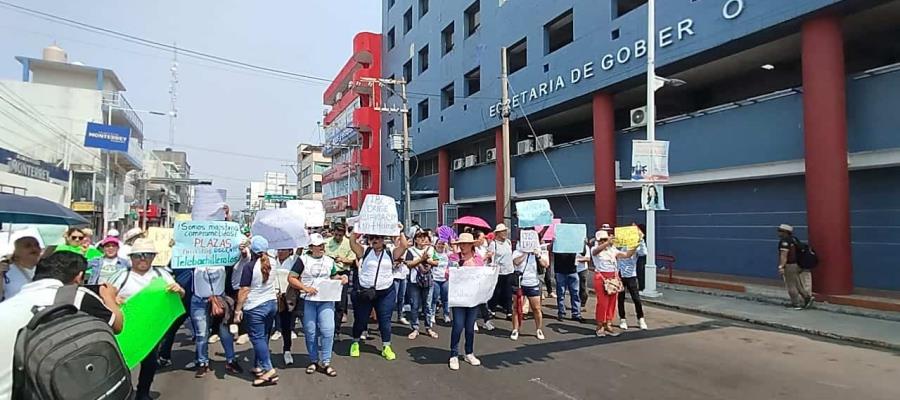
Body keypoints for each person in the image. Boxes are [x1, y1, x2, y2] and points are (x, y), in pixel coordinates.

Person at [0, 251, 124, 400]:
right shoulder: (78, 296)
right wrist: (109, 296)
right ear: (79, 276)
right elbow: (117, 324)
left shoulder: (6, 306)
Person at [107, 238, 185, 400]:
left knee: (150, 362)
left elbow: (180, 294)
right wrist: (115, 300)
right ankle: (124, 392)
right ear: (131, 258)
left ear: (153, 257)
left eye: (147, 255)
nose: (143, 258)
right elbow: (106, 295)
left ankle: (143, 392)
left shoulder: (161, 274)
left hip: (152, 327)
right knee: (123, 361)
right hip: (126, 327)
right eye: (138, 255)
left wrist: (178, 290)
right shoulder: (122, 276)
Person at [288, 233, 348, 377]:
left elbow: (333, 276)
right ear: (311, 247)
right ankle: (313, 360)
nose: (321, 248)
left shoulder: (329, 261)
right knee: (310, 332)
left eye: (322, 245)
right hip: (309, 301)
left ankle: (326, 362)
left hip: (326, 299)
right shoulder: (303, 260)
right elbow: (291, 278)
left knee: (328, 330)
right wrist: (305, 288)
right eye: (317, 245)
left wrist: (341, 277)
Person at [347, 227, 408, 361]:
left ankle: (386, 346)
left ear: (382, 239)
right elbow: (352, 243)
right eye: (371, 238)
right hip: (365, 292)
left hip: (385, 291)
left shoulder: (390, 252)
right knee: (361, 319)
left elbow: (404, 245)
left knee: (385, 320)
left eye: (377, 238)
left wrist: (400, 230)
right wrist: (357, 229)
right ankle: (355, 342)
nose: (374, 240)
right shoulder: (365, 250)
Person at [234, 236, 279, 387]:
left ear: (252, 250)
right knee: (264, 336)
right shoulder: (272, 262)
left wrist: (237, 310)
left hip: (255, 307)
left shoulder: (250, 267)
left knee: (257, 338)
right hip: (271, 303)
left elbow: (244, 290)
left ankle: (268, 368)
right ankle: (258, 366)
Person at [191, 261, 243, 377]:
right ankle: (202, 363)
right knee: (201, 334)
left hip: (221, 301)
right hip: (199, 301)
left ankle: (231, 360)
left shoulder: (224, 259)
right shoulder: (194, 259)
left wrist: (244, 253)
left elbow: (241, 261)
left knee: (225, 332)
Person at [447, 233, 487, 371]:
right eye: (460, 244)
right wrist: (458, 266)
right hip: (459, 297)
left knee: (470, 327)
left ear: (471, 245)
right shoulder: (454, 257)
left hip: (473, 297)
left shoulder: (478, 259)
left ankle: (469, 352)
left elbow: (482, 276)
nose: (462, 246)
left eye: (465, 244)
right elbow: (447, 274)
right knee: (458, 325)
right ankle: (453, 354)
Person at [591, 230, 638, 337]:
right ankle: (600, 325)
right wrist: (608, 242)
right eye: (601, 240)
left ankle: (608, 323)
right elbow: (595, 251)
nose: (604, 241)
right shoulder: (595, 249)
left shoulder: (613, 250)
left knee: (612, 302)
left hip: (614, 277)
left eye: (605, 239)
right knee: (603, 303)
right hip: (601, 277)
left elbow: (626, 255)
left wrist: (635, 245)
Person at [510, 236, 550, 341]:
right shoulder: (518, 251)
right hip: (519, 283)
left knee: (536, 308)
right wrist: (525, 252)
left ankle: (538, 329)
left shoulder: (540, 251)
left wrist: (538, 255)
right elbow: (516, 262)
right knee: (516, 307)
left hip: (533, 283)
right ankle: (515, 329)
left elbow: (546, 264)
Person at [405, 230, 439, 340]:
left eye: (424, 237)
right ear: (415, 240)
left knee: (428, 305)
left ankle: (428, 327)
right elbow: (409, 264)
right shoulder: (410, 250)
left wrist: (427, 260)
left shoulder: (431, 249)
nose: (423, 239)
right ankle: (415, 328)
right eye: (420, 237)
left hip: (428, 281)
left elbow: (436, 262)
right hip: (414, 281)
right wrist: (421, 259)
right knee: (414, 305)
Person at [325, 222, 356, 337]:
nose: (338, 237)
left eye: (340, 235)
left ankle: (336, 330)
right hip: (329, 274)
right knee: (328, 302)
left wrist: (343, 259)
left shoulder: (348, 244)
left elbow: (353, 260)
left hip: (343, 274)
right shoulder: (326, 242)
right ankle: (327, 328)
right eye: (336, 234)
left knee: (340, 304)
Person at [272, 247, 299, 365]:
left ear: (289, 251)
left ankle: (287, 351)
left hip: (288, 296)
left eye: (284, 250)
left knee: (287, 325)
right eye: (279, 250)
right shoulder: (273, 261)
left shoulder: (294, 261)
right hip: (273, 296)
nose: (281, 252)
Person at [777, 224, 813, 310]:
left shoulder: (784, 241)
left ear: (785, 232)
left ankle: (796, 304)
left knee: (791, 285)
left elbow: (784, 255)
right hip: (796, 265)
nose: (778, 232)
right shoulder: (794, 239)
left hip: (789, 265)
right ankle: (807, 298)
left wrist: (781, 266)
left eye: (780, 231)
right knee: (797, 284)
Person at [617, 238, 648, 331]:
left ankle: (641, 319)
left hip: (631, 276)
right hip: (620, 274)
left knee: (636, 299)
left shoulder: (635, 247)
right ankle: (622, 319)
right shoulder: (618, 246)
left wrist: (641, 240)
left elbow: (644, 252)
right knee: (620, 299)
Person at [0, 234, 41, 301]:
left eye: (37, 245)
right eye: (28, 246)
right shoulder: (5, 271)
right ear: (16, 252)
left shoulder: (47, 268)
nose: (34, 248)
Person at [486, 224, 514, 320]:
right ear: (497, 233)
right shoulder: (494, 244)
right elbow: (490, 257)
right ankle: (492, 309)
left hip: (509, 270)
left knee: (508, 292)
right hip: (498, 271)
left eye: (505, 231)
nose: (505, 233)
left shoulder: (508, 242)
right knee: (497, 291)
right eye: (502, 231)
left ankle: (509, 311)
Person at [553, 249, 584, 323]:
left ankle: (576, 314)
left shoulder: (573, 242)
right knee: (561, 294)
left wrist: (580, 241)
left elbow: (583, 252)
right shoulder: (558, 241)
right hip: (560, 271)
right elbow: (550, 249)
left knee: (575, 293)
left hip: (572, 270)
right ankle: (561, 313)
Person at [431, 238, 452, 324]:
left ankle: (446, 314)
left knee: (445, 298)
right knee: (434, 298)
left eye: (442, 244)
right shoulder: (433, 253)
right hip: (435, 278)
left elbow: (454, 256)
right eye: (439, 244)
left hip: (445, 279)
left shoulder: (447, 254)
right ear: (435, 245)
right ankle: (432, 315)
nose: (440, 246)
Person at [575, 238, 592, 313]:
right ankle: (575, 304)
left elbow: (588, 258)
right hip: (573, 270)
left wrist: (578, 259)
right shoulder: (571, 247)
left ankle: (582, 304)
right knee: (574, 288)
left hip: (582, 270)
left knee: (583, 287)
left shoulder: (585, 247)